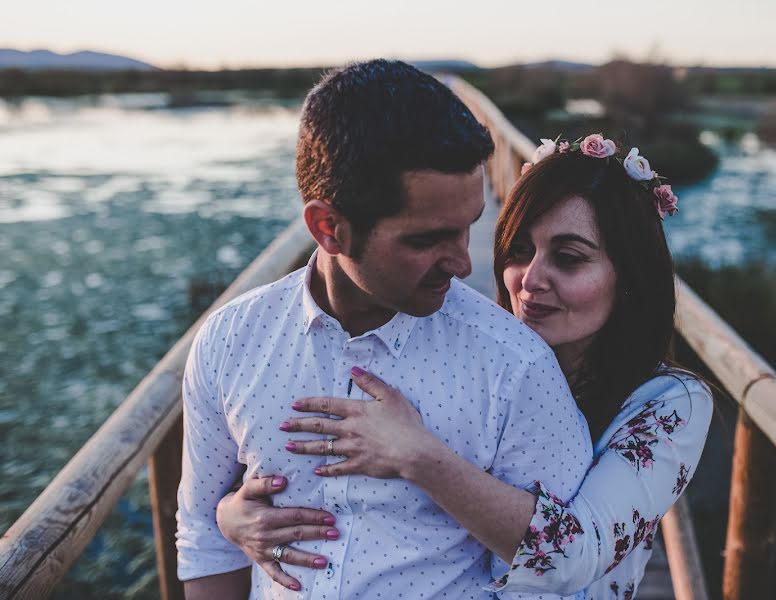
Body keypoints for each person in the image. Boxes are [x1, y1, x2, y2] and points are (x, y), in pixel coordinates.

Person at [217, 135, 713, 599]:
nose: (529, 280)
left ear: (629, 276)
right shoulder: (479, 358)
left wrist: (416, 455)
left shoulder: (670, 404)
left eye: (568, 258)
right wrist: (232, 517)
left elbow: (573, 554)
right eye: (519, 251)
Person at [175, 60, 594, 600]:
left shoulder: (514, 363)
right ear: (329, 228)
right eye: (427, 240)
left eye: (469, 228)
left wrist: (423, 461)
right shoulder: (230, 341)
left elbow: (569, 565)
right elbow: (205, 535)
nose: (465, 263)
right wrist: (231, 521)